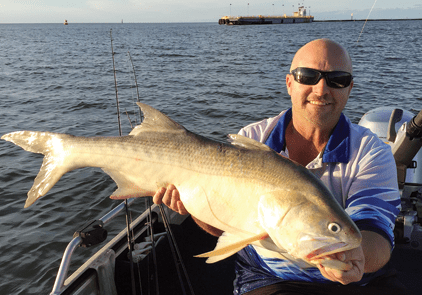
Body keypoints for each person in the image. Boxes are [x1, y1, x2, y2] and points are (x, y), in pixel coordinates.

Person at [153, 39, 406, 294]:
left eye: (337, 79)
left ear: (349, 88)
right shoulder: (252, 140)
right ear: (289, 83)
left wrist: (355, 257)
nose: (321, 89)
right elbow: (226, 225)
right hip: (269, 278)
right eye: (308, 76)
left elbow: (376, 232)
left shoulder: (371, 152)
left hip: (360, 280)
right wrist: (195, 207)